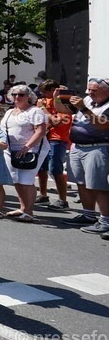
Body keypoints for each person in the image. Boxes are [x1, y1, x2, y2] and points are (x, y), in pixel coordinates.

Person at [62, 78, 109, 236]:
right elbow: (65, 111)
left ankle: (105, 221)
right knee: (81, 183)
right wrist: (58, 98)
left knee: (99, 185)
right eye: (89, 89)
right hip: (78, 146)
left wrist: (83, 108)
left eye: (93, 90)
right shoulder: (88, 100)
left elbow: (102, 124)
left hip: (97, 147)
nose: (89, 93)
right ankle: (88, 215)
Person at [0, 85, 48, 222]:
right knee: (16, 180)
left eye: (21, 94)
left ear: (28, 96)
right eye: (14, 94)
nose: (17, 97)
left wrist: (27, 147)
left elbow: (40, 131)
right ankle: (23, 208)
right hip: (11, 150)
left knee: (26, 180)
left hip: (32, 150)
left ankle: (29, 212)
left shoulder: (35, 111)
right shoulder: (9, 112)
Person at [36, 80, 71, 210]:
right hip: (44, 138)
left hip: (58, 139)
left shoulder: (63, 102)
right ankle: (43, 195)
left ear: (53, 90)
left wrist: (43, 109)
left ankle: (63, 201)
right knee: (41, 168)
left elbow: (57, 122)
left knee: (55, 170)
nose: (43, 95)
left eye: (45, 92)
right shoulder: (44, 101)